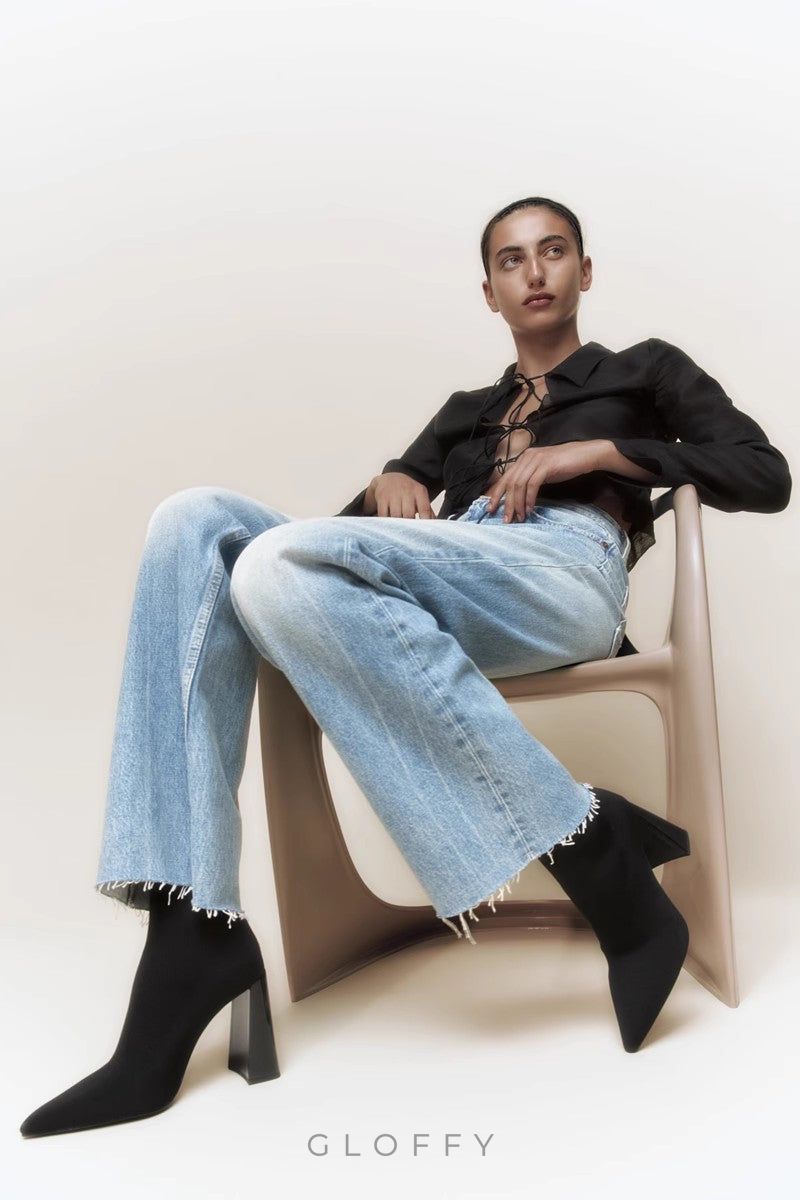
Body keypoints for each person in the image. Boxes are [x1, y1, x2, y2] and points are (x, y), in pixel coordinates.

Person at [20, 197, 792, 1138]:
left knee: (277, 565)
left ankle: (588, 845)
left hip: (563, 572)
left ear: (585, 272)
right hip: (454, 572)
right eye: (511, 260)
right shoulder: (464, 414)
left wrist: (598, 453)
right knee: (198, 526)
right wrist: (388, 481)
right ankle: (191, 930)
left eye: (554, 251)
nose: (535, 271)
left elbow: (765, 474)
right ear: (489, 292)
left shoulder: (646, 369)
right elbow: (328, 573)